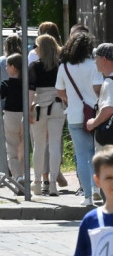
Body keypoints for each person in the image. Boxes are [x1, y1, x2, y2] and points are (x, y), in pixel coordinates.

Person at [57, 31, 103, 205]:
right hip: (95, 114)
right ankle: (96, 188)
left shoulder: (64, 66)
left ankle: (87, 196)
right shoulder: (93, 65)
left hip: (75, 115)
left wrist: (73, 99)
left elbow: (59, 91)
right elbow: (98, 88)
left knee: (81, 155)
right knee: (95, 153)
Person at [28, 34, 65, 197]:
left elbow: (30, 91)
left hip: (39, 107)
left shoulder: (34, 66)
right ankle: (53, 186)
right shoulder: (61, 65)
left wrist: (28, 109)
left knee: (39, 145)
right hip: (58, 105)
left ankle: (37, 182)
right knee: (55, 145)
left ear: (41, 48)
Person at [0, 54, 26, 181]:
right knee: (23, 147)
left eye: (7, 66)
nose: (6, 68)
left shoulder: (5, 84)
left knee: (12, 148)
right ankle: (24, 174)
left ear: (13, 67)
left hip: (10, 116)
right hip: (24, 115)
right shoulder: (26, 83)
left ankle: (18, 176)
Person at [88, 45, 113, 156]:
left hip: (107, 142)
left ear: (104, 59)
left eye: (96, 58)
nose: (94, 62)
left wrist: (93, 123)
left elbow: (108, 109)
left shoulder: (109, 83)